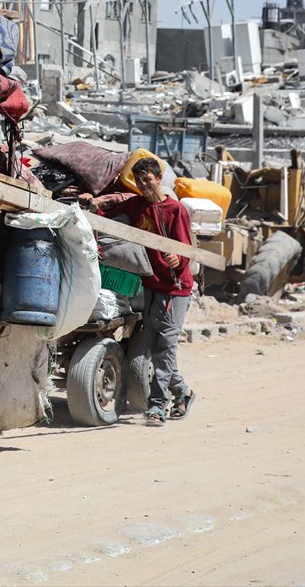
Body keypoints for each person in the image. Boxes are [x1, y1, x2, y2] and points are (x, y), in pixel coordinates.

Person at [83, 156, 195, 426]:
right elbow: (108, 215)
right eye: (141, 182)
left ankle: (158, 405)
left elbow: (186, 248)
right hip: (151, 285)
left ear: (159, 178)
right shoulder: (137, 206)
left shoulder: (176, 210)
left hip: (175, 288)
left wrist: (177, 261)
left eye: (149, 180)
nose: (145, 186)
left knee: (165, 345)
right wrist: (91, 205)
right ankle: (183, 392)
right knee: (157, 346)